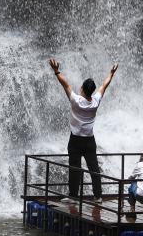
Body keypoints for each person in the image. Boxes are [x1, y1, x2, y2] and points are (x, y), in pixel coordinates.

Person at [49, 58, 118, 203]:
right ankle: (98, 196)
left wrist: (56, 71)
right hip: (89, 140)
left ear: (82, 88)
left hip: (75, 140)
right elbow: (104, 86)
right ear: (92, 91)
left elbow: (65, 84)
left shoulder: (75, 100)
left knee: (74, 168)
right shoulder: (95, 102)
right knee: (94, 168)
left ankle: (73, 196)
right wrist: (111, 74)